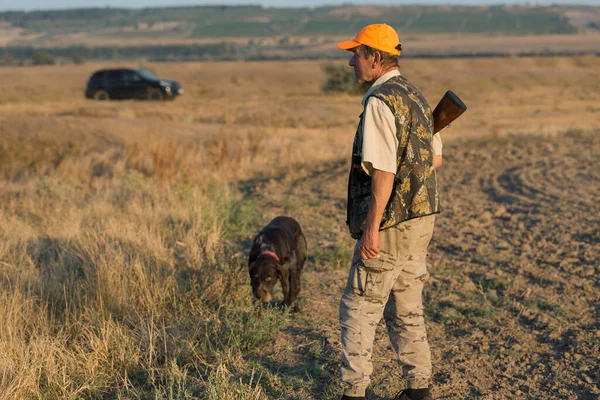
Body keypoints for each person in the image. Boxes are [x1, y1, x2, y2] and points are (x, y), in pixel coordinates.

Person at [337, 24, 440, 400]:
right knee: (406, 305)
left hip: (393, 220)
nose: (351, 62)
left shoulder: (380, 102)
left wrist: (372, 228)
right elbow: (436, 159)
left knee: (359, 305)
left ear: (375, 58)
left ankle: (353, 393)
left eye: (357, 54)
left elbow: (384, 172)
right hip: (421, 218)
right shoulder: (414, 95)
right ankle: (418, 389)